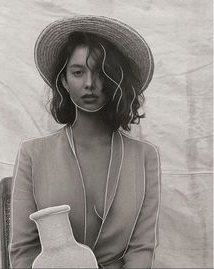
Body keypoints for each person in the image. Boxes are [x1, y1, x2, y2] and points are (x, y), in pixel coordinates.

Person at [9, 16, 161, 269]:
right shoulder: (33, 153)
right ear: (64, 82)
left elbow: (142, 250)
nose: (89, 84)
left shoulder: (144, 156)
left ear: (116, 81)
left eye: (101, 73)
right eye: (78, 72)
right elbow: (24, 251)